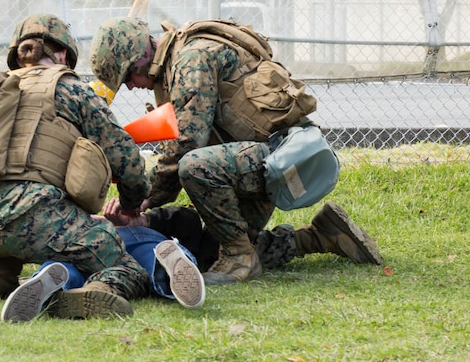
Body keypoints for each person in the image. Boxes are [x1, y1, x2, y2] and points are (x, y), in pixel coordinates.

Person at [88, 16, 363, 287]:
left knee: (194, 165)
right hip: (263, 159)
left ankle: (239, 257)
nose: (131, 86)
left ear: (140, 57)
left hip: (283, 157)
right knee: (207, 255)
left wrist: (140, 201)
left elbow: (187, 145)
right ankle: (321, 236)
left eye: (127, 77)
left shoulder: (190, 59)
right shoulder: (178, 61)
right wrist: (145, 211)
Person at [0, 14, 152, 322]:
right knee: (126, 267)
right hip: (38, 215)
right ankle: (92, 293)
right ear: (64, 54)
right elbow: (128, 162)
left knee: (14, 220)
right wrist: (132, 204)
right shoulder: (75, 91)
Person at [4, 198, 205, 320]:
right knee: (148, 264)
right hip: (145, 240)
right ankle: (167, 264)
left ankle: (50, 279)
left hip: (96, 240)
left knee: (72, 266)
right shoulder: (181, 219)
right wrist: (142, 220)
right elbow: (188, 217)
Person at [140, 201, 382, 274]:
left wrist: (145, 220)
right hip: (188, 255)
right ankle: (321, 236)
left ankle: (323, 236)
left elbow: (186, 220)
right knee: (253, 250)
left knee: (238, 255)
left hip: (191, 248)